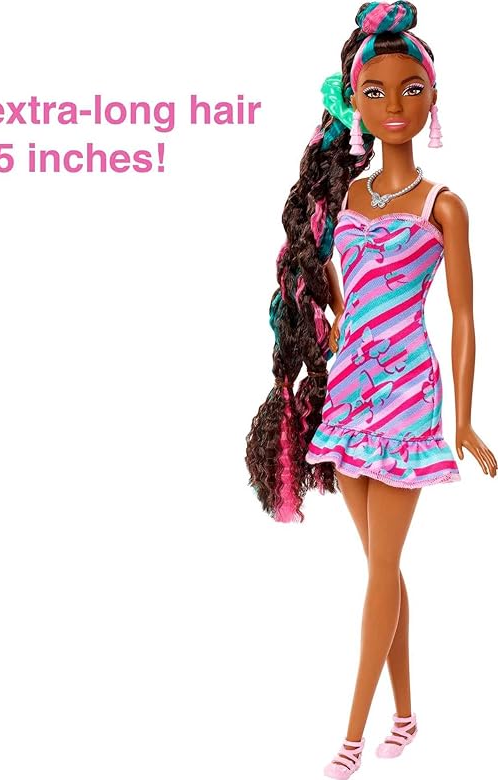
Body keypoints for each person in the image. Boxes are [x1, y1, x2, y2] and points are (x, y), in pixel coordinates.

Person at [245, 2, 496, 776]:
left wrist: (464, 421)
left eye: (410, 89)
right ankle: (408, 717)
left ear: (432, 96)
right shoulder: (344, 199)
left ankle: (350, 738)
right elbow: (330, 289)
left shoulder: (442, 205)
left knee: (382, 569)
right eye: (375, 91)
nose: (394, 105)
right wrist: (319, 339)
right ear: (352, 100)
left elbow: (463, 316)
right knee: (380, 567)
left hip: (407, 393)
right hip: (350, 389)